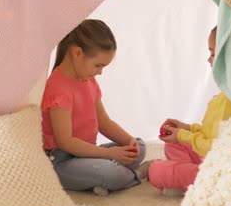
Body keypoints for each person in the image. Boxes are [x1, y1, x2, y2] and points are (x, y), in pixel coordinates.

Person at [41, 19, 150, 196]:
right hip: (61, 161)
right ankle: (135, 175)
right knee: (109, 171)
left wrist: (128, 141)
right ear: (77, 53)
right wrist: (109, 155)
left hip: (87, 153)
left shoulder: (89, 81)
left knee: (139, 146)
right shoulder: (58, 88)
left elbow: (104, 122)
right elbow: (65, 141)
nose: (100, 72)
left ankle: (99, 182)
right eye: (98, 65)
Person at [148, 26, 231, 195]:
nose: (208, 59)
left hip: (222, 171)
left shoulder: (230, 102)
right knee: (174, 146)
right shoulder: (225, 95)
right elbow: (210, 133)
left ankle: (192, 181)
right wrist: (187, 128)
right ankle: (187, 178)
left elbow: (219, 147)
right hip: (210, 158)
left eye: (212, 53)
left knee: (156, 170)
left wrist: (184, 135)